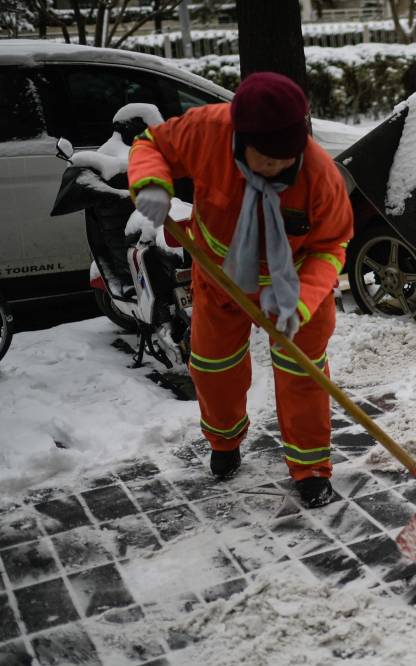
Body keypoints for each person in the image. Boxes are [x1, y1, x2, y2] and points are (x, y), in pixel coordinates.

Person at [128, 72, 354, 508]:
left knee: (304, 374)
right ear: (239, 137)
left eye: (287, 159)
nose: (277, 168)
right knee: (214, 366)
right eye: (266, 158)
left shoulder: (319, 175)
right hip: (220, 275)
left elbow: (331, 247)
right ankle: (225, 442)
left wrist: (301, 305)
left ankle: (310, 468)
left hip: (295, 283)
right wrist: (151, 182)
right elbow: (150, 143)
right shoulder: (207, 131)